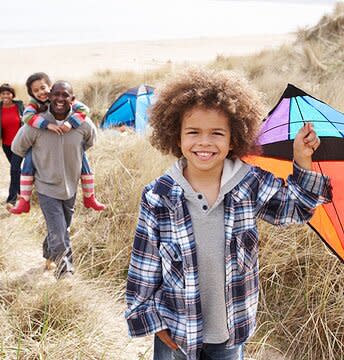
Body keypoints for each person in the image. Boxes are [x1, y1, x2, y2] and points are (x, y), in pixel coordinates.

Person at [124, 68, 332, 360]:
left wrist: (301, 159)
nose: (204, 143)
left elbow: (295, 208)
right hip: (177, 329)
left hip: (230, 331)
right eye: (193, 132)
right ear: (176, 135)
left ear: (234, 139)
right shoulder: (158, 195)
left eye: (217, 133)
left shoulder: (249, 183)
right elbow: (144, 265)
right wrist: (152, 320)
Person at [12, 81, 97, 279]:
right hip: (46, 187)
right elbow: (18, 147)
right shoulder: (36, 124)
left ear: (72, 98)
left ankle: (49, 253)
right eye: (56, 94)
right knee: (60, 233)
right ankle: (65, 272)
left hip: (71, 187)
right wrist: (36, 159)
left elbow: (90, 142)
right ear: (49, 97)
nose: (60, 99)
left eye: (65, 95)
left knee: (61, 228)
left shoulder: (83, 124)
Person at [10, 72, 105, 214]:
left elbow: (84, 110)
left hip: (70, 165)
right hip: (37, 145)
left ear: (50, 87)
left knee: (83, 160)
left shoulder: (62, 97)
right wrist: (47, 125)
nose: (40, 93)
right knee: (28, 163)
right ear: (32, 94)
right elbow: (27, 117)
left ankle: (89, 196)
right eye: (35, 91)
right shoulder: (34, 105)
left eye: (43, 88)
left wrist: (70, 124)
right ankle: (24, 199)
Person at [0, 83, 24, 209]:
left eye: (8, 93)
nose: (6, 96)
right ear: (0, 95)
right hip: (6, 145)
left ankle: (11, 200)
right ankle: (22, 193)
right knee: (16, 170)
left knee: (14, 170)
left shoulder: (19, 105)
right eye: (3, 93)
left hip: (20, 144)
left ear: (12, 95)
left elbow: (27, 121)